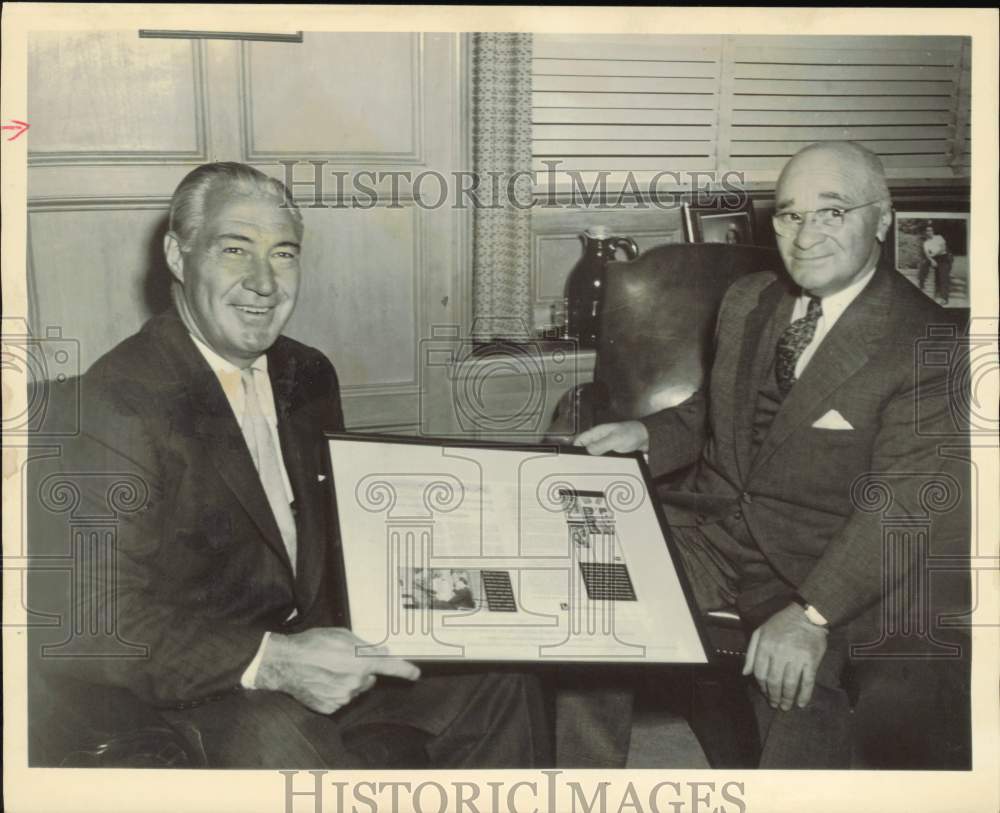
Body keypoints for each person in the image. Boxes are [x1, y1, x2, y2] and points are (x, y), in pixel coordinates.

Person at [29, 162, 549, 769]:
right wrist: (272, 660)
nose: (263, 283)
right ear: (178, 255)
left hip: (318, 641)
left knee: (506, 684)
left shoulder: (308, 374)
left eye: (283, 254)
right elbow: (86, 619)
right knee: (299, 756)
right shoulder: (116, 401)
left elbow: (332, 534)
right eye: (234, 249)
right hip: (208, 682)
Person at [575, 142, 969, 768]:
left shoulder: (931, 343)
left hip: (824, 565)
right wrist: (649, 435)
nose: (805, 235)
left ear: (883, 220)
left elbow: (902, 506)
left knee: (800, 711)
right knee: (581, 615)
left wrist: (811, 616)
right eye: (790, 215)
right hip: (713, 531)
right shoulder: (751, 300)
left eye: (832, 212)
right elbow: (712, 409)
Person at [919, 221, 953, 305]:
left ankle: (944, 298)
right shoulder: (926, 243)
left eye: (930, 230)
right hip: (934, 258)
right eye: (927, 231)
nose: (929, 232)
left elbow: (943, 248)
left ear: (933, 231)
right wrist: (932, 260)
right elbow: (927, 254)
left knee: (943, 277)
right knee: (924, 265)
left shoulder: (939, 237)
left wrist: (933, 255)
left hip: (943, 258)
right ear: (925, 232)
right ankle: (921, 284)